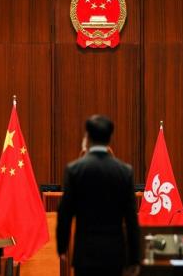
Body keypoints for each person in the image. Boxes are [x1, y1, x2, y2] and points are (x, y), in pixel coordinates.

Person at [57, 115, 140, 276]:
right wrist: (134, 259)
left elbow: (65, 213)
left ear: (87, 138)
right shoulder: (124, 172)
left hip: (85, 254)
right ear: (110, 138)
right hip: (114, 255)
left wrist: (62, 247)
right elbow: (131, 219)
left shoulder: (75, 170)